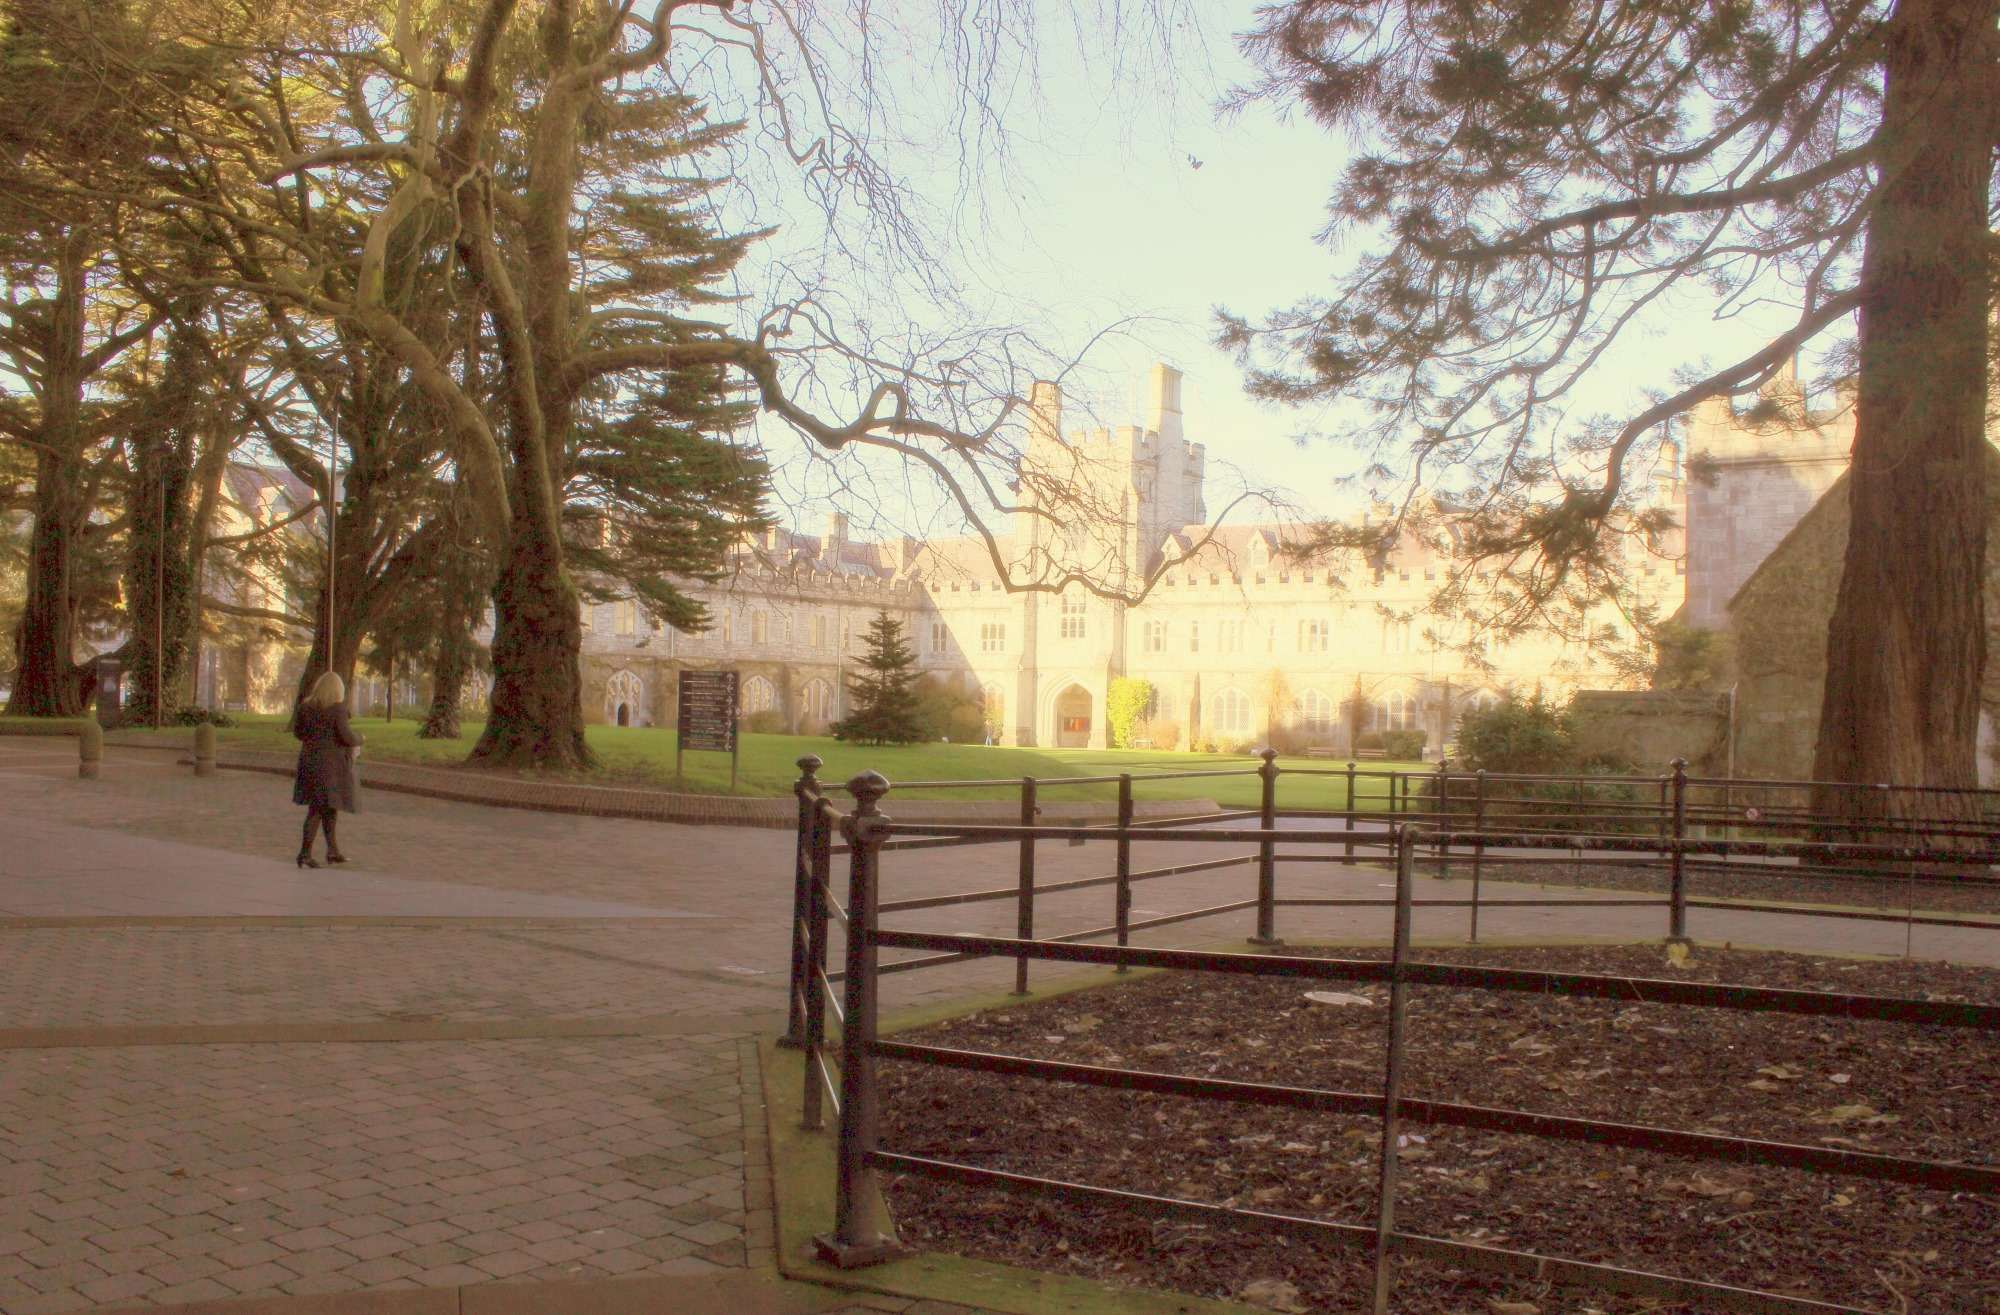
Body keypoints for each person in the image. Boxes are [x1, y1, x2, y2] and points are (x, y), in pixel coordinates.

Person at [291, 671, 363, 868]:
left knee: (328, 807)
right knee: (317, 809)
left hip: (309, 763)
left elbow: (298, 733)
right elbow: (346, 736)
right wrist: (360, 738)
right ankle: (304, 853)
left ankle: (333, 851)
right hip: (330, 767)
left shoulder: (305, 707)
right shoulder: (337, 709)